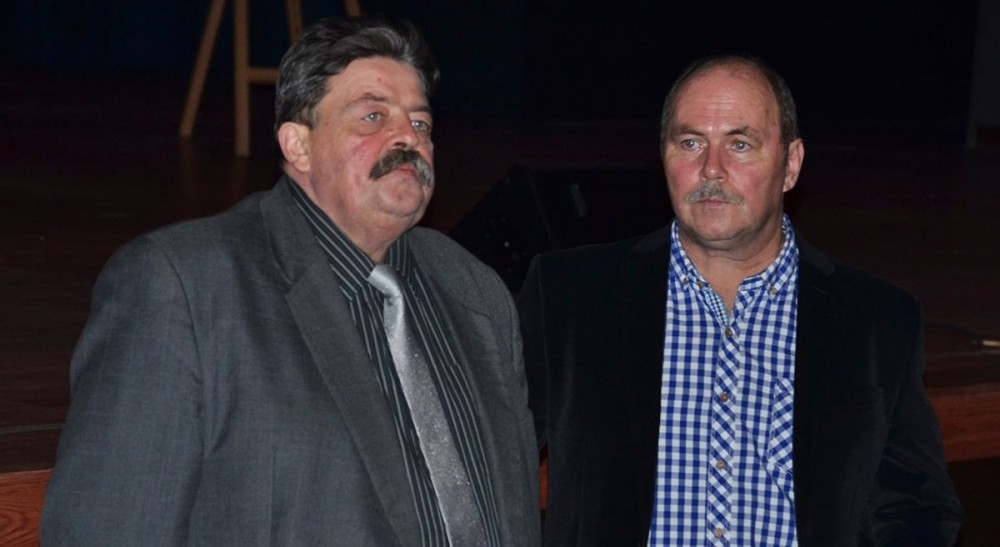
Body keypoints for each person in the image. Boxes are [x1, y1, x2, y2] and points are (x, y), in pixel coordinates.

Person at [41, 17, 540, 546]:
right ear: (297, 145)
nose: (407, 137)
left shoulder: (475, 293)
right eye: (373, 116)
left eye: (421, 122)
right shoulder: (184, 287)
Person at [518, 55, 962, 546]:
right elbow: (487, 468)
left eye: (740, 144)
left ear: (791, 164)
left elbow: (917, 506)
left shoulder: (875, 320)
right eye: (690, 143)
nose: (711, 168)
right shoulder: (572, 297)